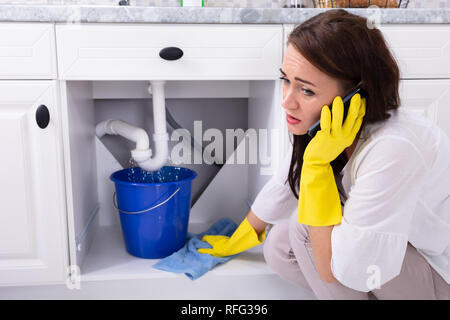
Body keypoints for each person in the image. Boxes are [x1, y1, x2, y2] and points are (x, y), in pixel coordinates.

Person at [198, 9, 450, 300]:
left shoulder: (395, 147)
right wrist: (239, 237)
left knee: (305, 229)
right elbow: (285, 184)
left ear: (354, 97)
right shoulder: (334, 129)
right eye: (286, 80)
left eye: (306, 91)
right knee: (280, 245)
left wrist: (317, 166)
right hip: (391, 259)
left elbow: (335, 269)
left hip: (437, 276)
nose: (287, 102)